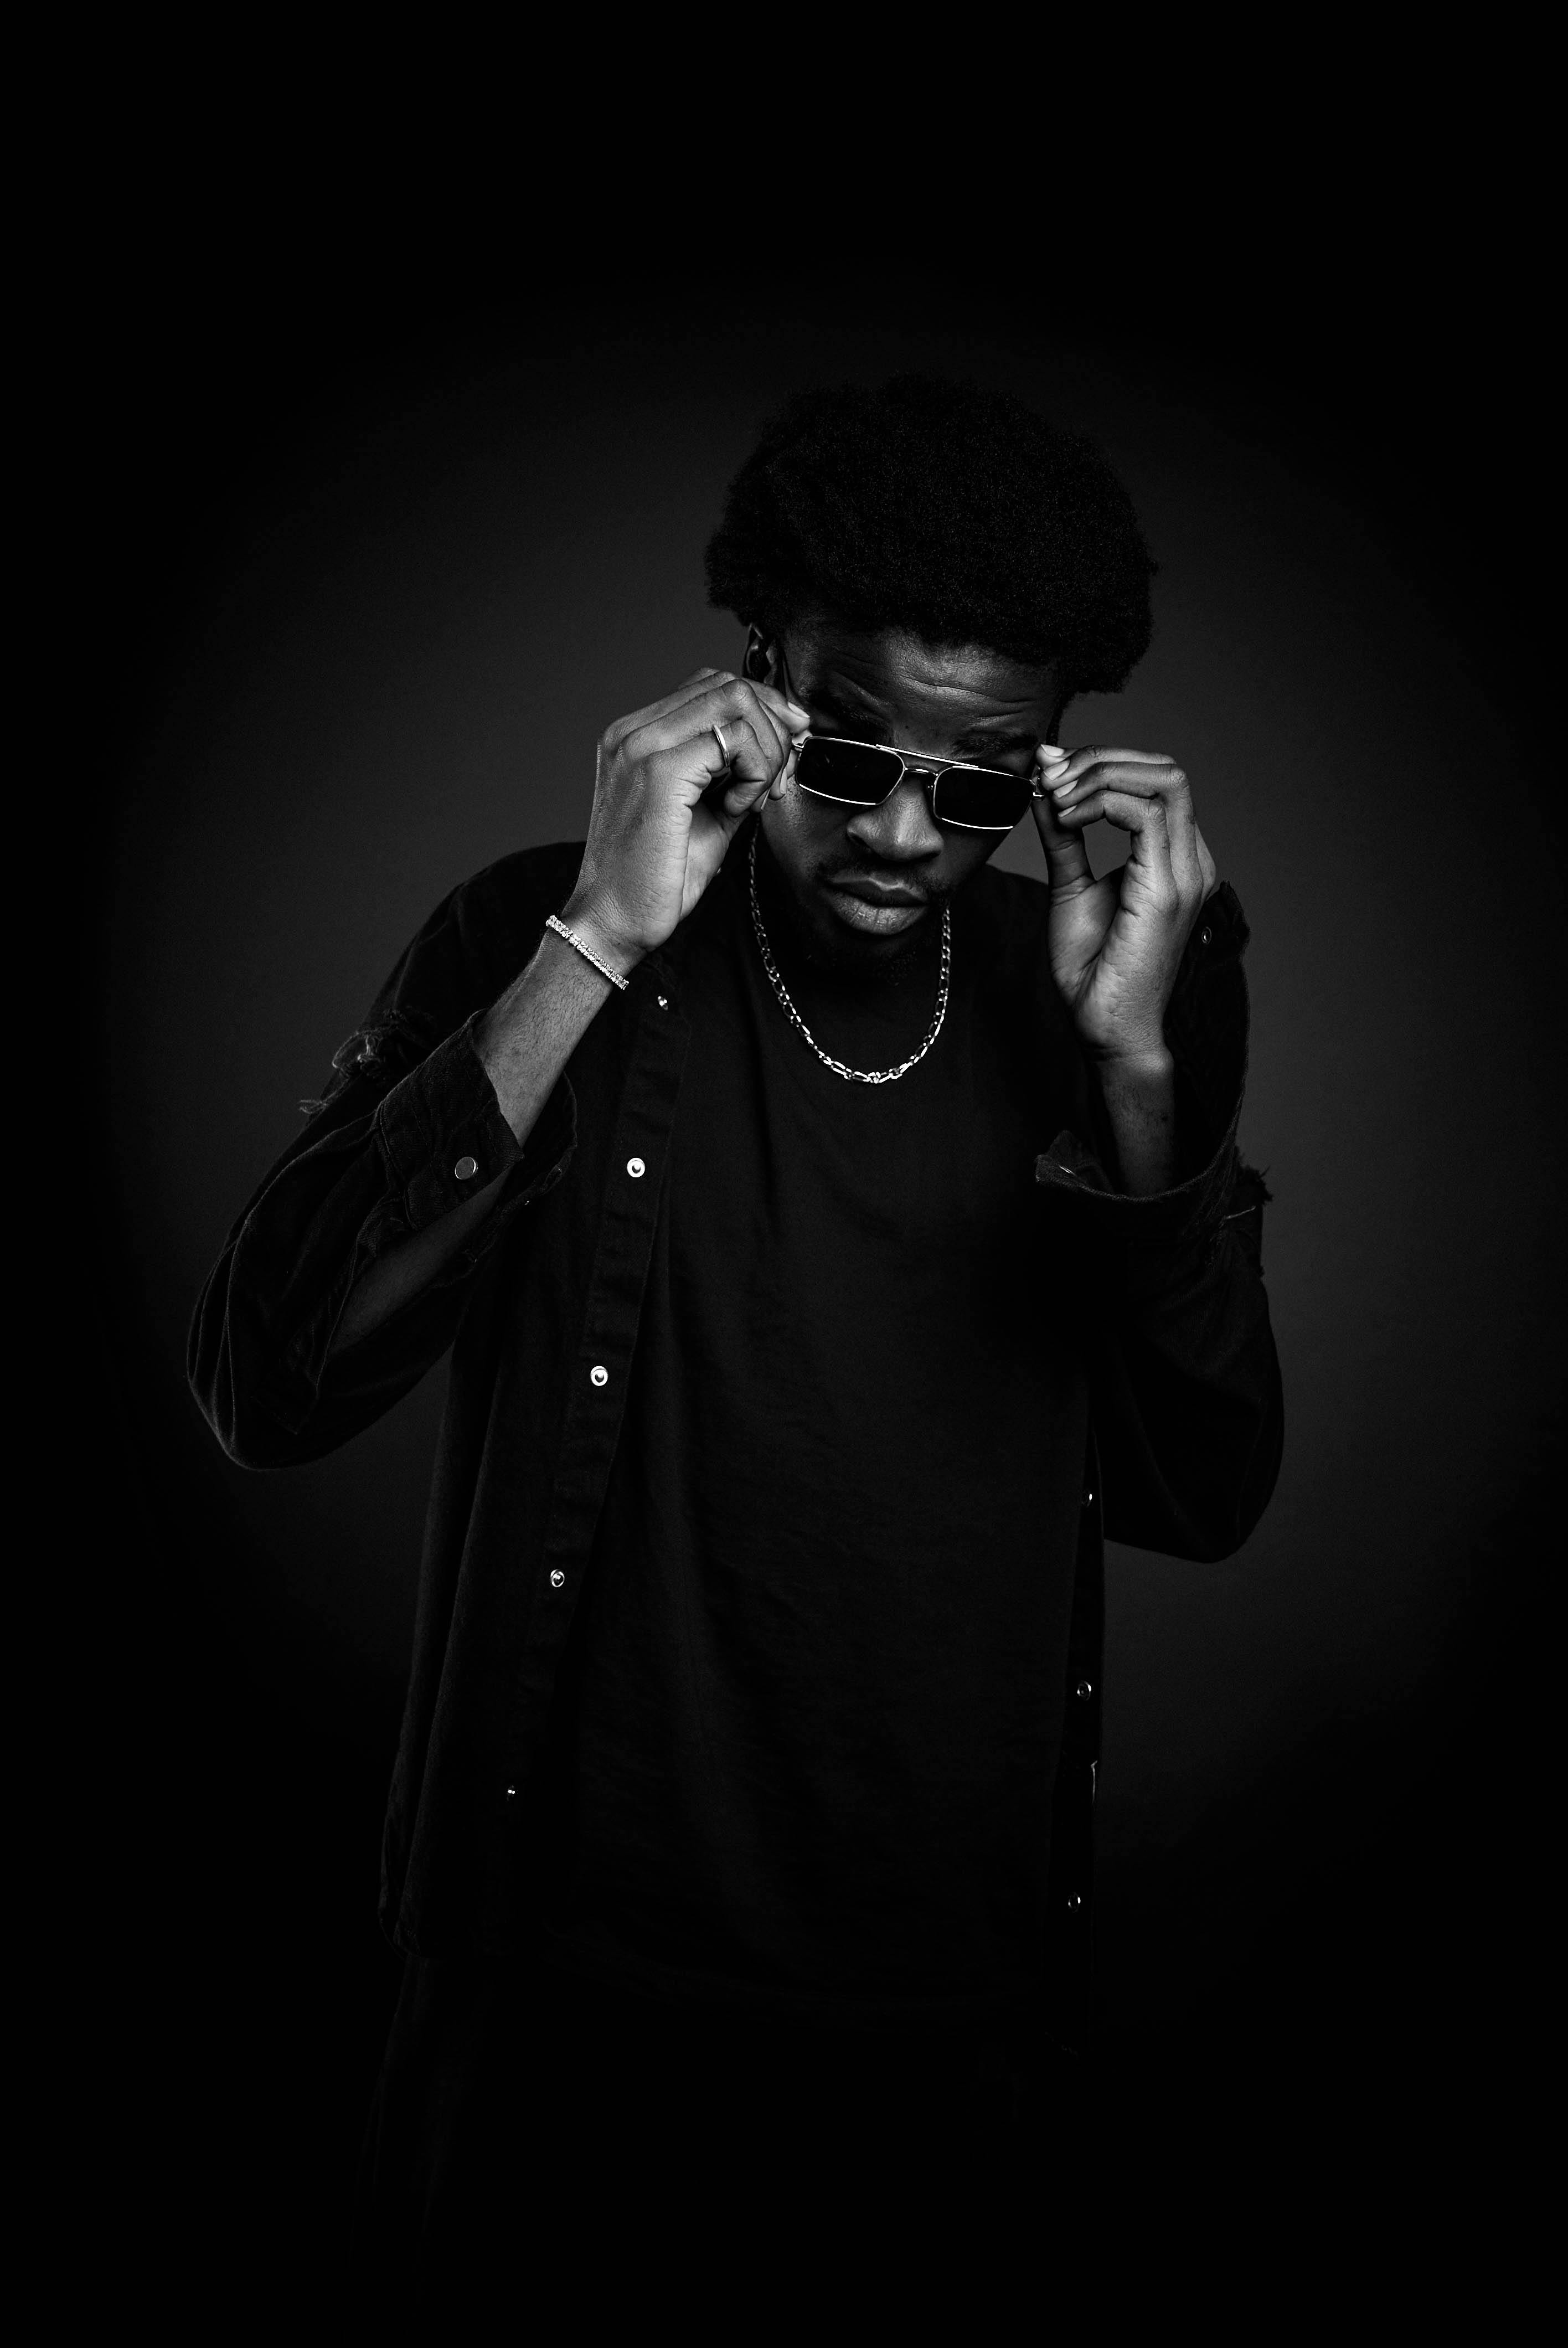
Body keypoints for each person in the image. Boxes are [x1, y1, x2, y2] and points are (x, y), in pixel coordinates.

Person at [190, 374, 1282, 2282]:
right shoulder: (535, 934)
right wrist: (596, 943)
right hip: (554, 1976)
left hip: (942, 2001)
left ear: (1048, 772)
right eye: (851, 758)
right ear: (758, 683)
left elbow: (1203, 1492)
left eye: (979, 785)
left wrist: (1129, 1067)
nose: (905, 834)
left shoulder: (1115, 997)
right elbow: (268, 1384)